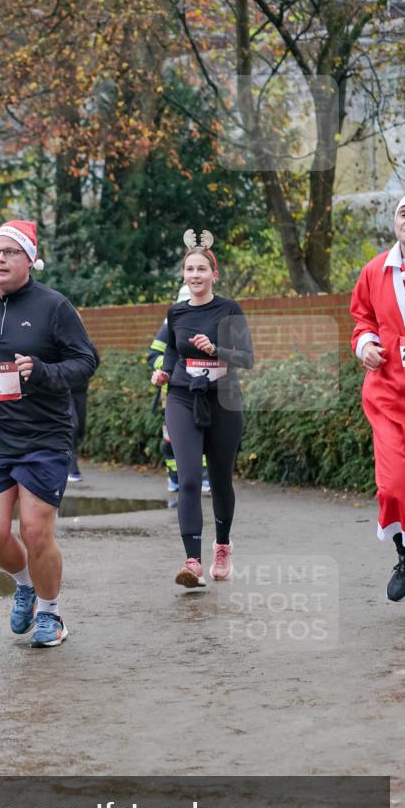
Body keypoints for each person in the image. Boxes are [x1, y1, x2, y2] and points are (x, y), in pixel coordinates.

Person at [0, 219, 98, 646]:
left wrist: (44, 371)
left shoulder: (54, 307)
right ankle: (26, 585)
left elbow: (86, 362)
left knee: (35, 530)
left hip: (44, 436)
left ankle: (51, 615)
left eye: (9, 252)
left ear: (30, 259)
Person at [151, 231, 253, 588]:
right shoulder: (176, 312)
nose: (195, 275)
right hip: (182, 397)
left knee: (222, 478)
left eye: (201, 269)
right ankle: (192, 561)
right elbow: (174, 353)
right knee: (190, 478)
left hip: (223, 399)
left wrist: (215, 350)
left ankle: (222, 546)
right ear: (184, 275)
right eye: (189, 269)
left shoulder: (229, 309)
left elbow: (247, 358)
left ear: (214, 274)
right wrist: (163, 371)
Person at [350, 191, 405, 603]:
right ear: (395, 222)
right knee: (392, 486)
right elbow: (362, 320)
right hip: (389, 395)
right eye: (404, 213)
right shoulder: (374, 271)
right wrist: (366, 346)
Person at [147, 285, 211, 498]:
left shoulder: (210, 320)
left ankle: (202, 478)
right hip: (175, 392)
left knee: (203, 434)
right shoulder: (171, 324)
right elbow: (153, 355)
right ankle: (174, 477)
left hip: (204, 391)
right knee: (172, 438)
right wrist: (170, 370)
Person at [67, 337, 99, 483]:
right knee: (72, 426)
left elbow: (94, 361)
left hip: (80, 390)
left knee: (80, 428)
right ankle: (71, 468)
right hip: (62, 389)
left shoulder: (85, 342)